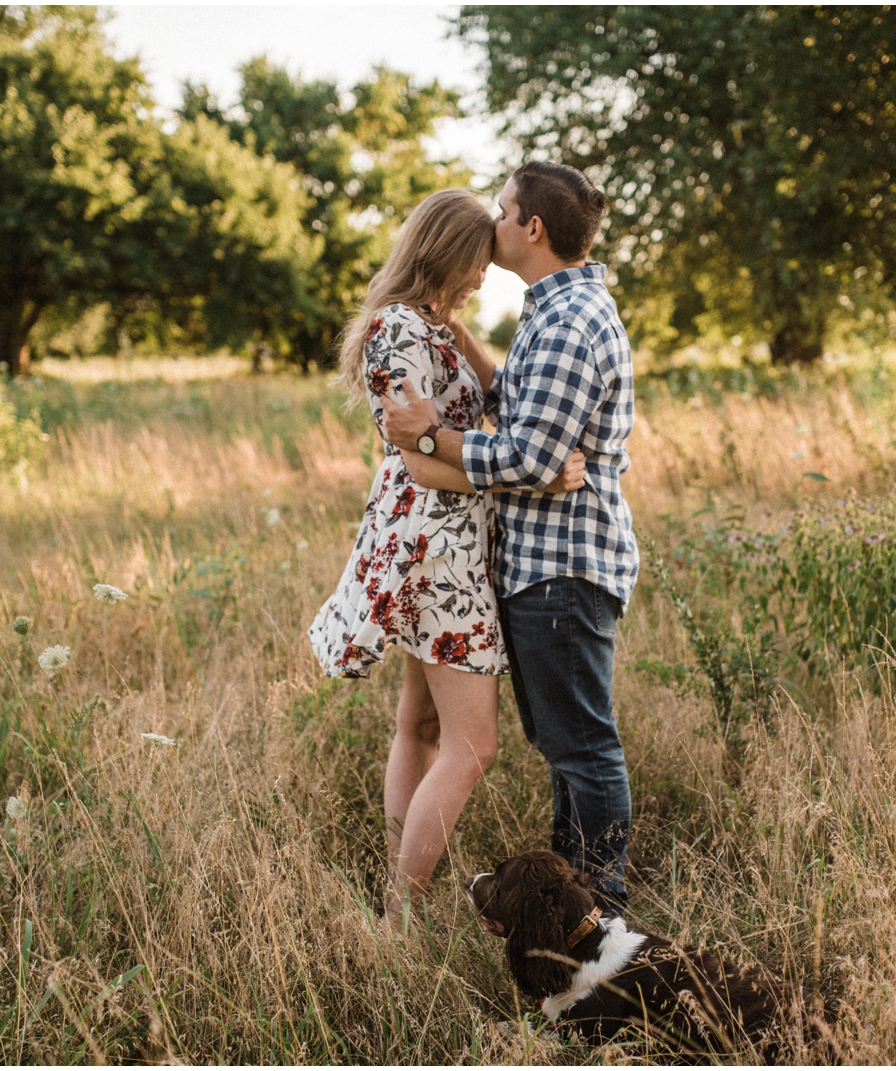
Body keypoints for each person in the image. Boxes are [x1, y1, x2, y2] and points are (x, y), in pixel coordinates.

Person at [308, 187, 586, 932]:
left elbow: (492, 398)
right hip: (436, 553)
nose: (483, 278)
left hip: (447, 544)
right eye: (475, 266)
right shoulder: (393, 332)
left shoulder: (431, 328)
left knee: (421, 728)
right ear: (443, 253)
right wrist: (534, 470)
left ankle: (395, 903)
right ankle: (400, 916)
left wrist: (464, 336)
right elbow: (422, 462)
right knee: (472, 745)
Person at [380, 162, 639, 913]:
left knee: (583, 749)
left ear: (532, 229)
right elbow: (518, 408)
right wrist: (459, 332)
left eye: (502, 210)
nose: (491, 223)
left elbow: (528, 455)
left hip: (561, 569)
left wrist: (431, 434)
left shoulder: (567, 321)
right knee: (566, 749)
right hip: (543, 566)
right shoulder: (555, 311)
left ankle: (600, 905)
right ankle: (575, 900)